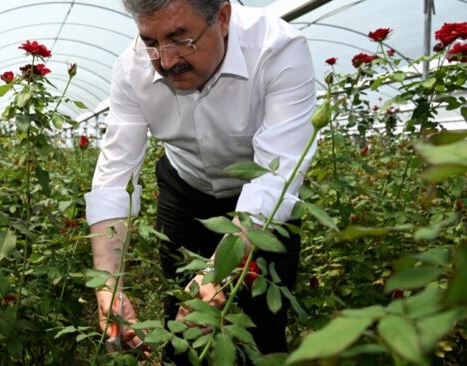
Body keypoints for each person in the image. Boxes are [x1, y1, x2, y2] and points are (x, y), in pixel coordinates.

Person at [85, 0, 317, 363]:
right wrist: (108, 283)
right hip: (184, 191)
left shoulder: (278, 49)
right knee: (182, 316)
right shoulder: (131, 68)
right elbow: (115, 177)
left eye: (180, 39)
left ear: (222, 18)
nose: (165, 60)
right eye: (150, 41)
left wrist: (219, 272)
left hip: (261, 201)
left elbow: (277, 178)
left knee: (261, 323)